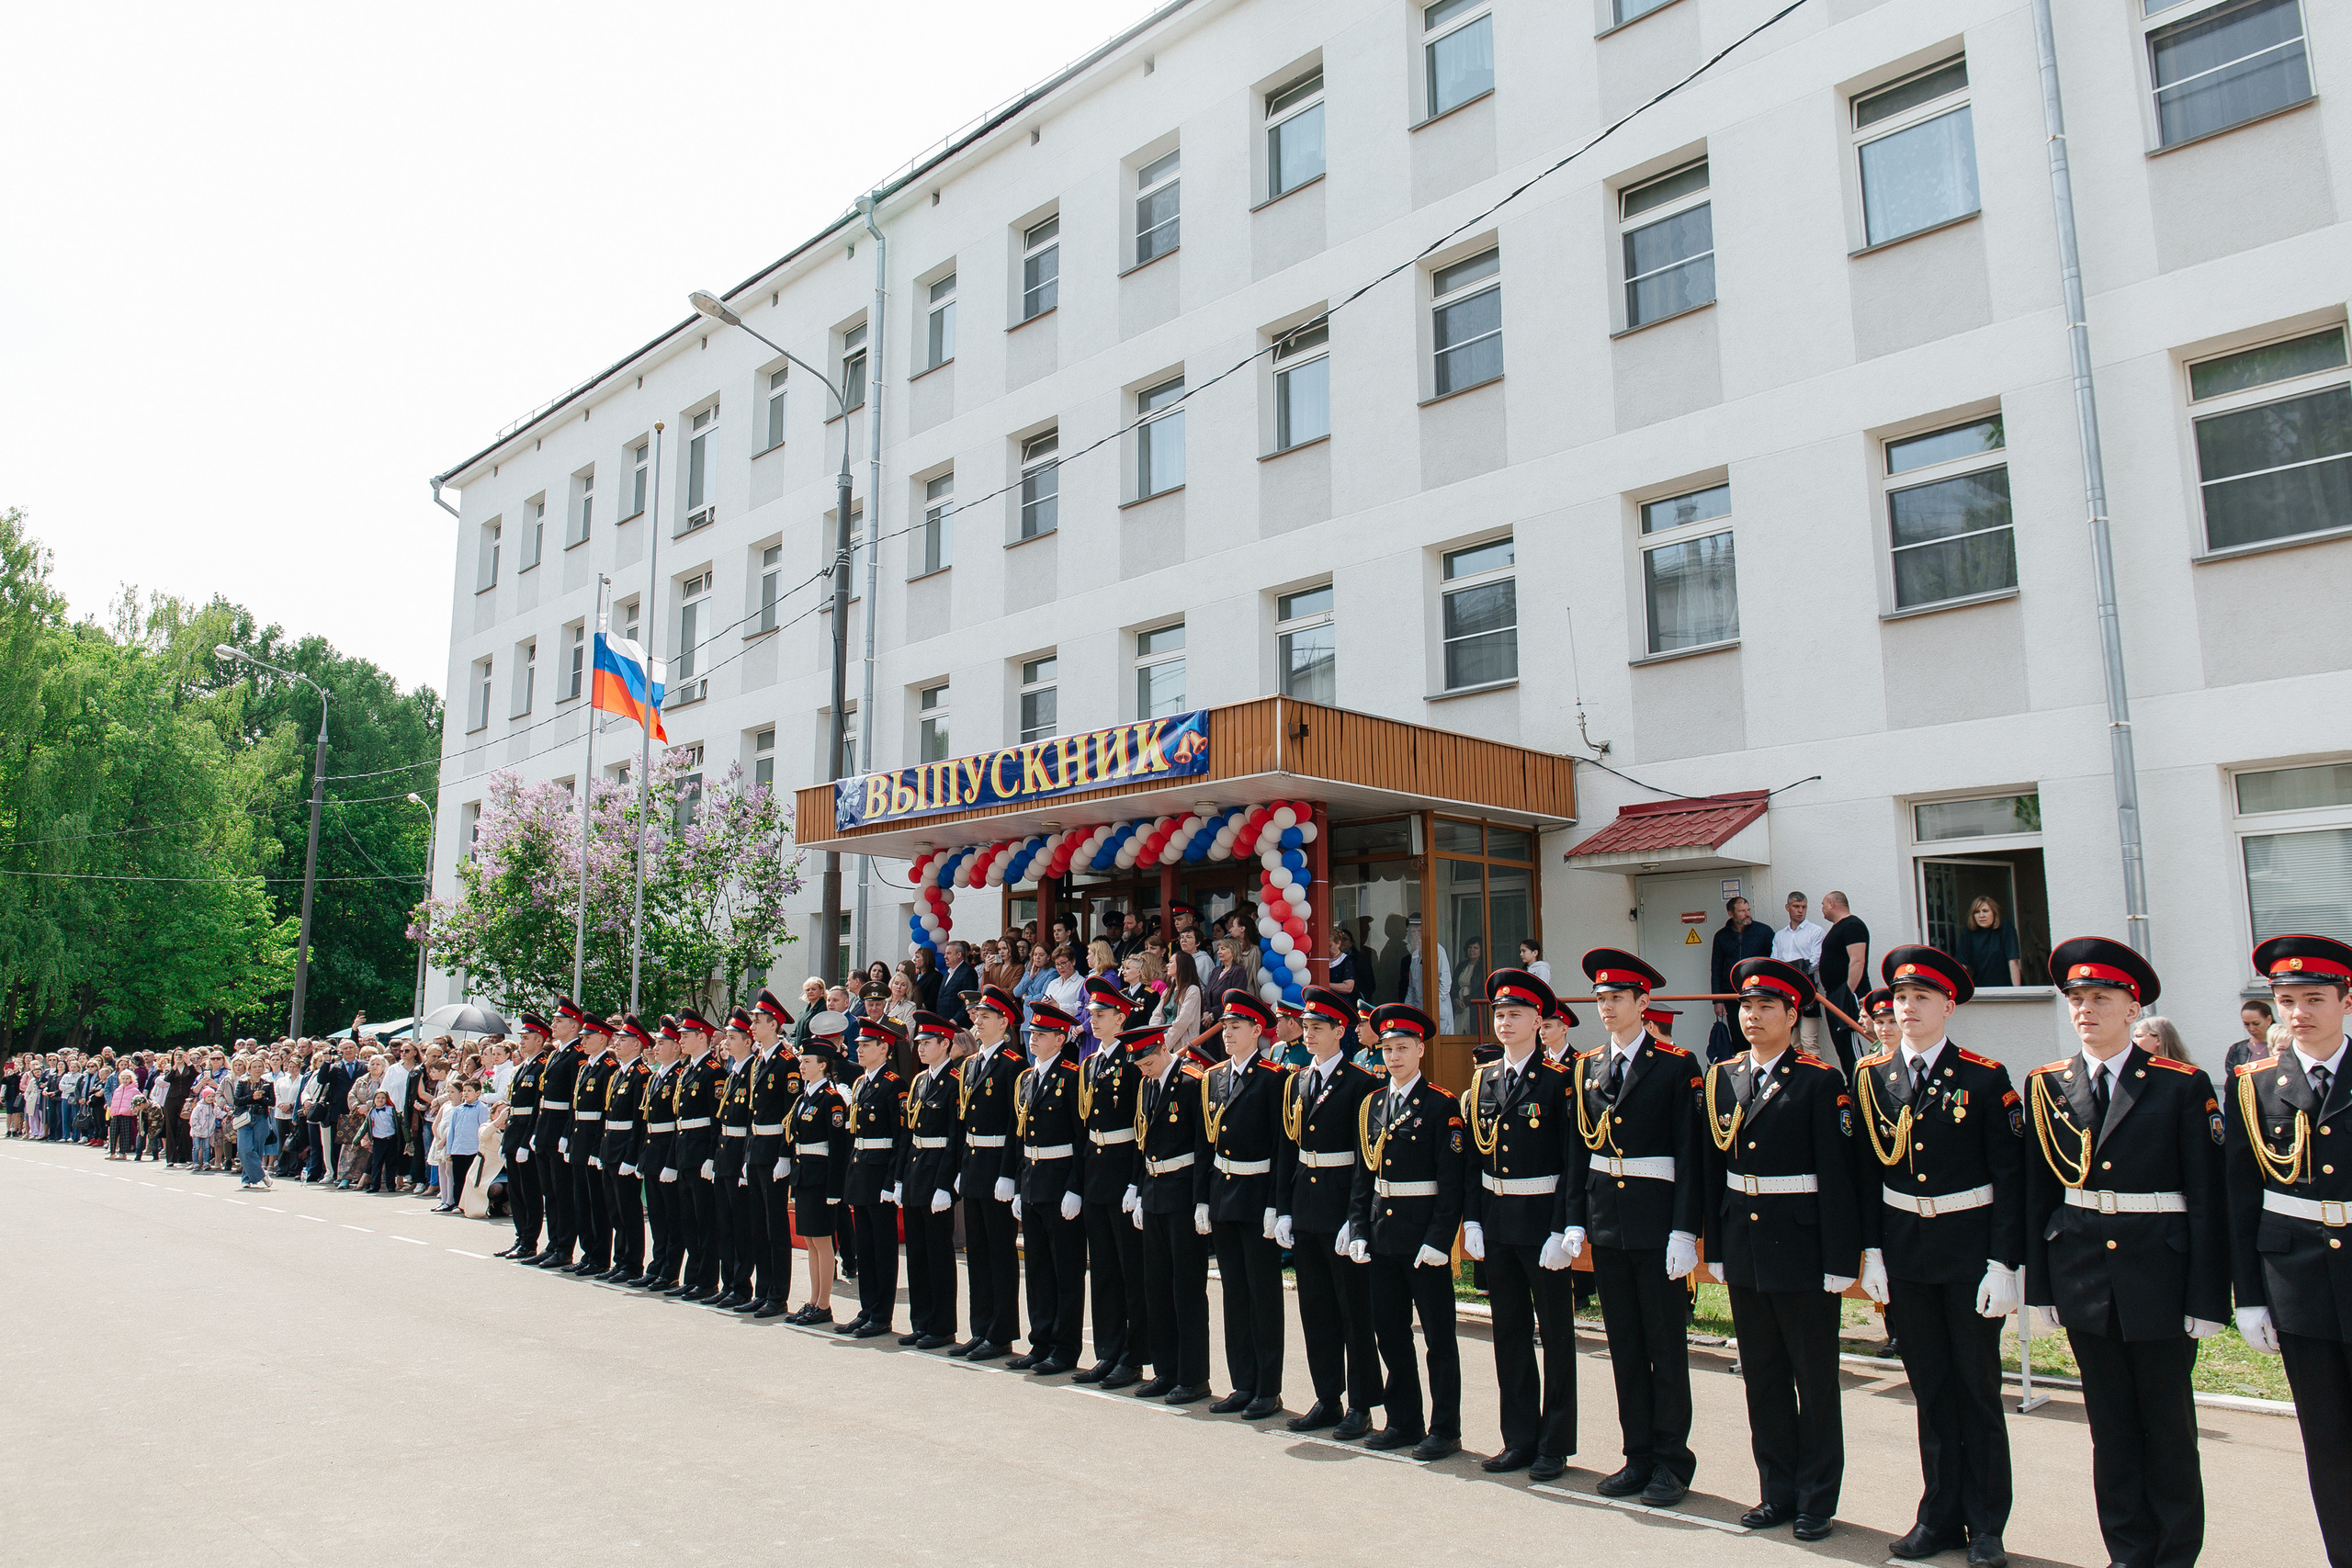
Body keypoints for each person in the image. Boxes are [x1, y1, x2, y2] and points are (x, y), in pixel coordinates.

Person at [2024, 936, 2225, 1568]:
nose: (2085, 1009)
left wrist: (2207, 1294)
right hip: (2084, 1276)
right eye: (2077, 998)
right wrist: (2042, 1288)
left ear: (2132, 1008)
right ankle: (2128, 1550)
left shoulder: (2181, 1086)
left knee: (2167, 1428)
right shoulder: (2049, 1084)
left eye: (2101, 997)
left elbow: (2208, 1198)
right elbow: (2039, 1195)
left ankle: (2174, 1554)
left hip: (2160, 1275)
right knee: (2109, 1428)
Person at [1853, 945, 2022, 1568]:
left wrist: (2004, 1262)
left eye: (1922, 997)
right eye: (1900, 998)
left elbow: (2010, 1178)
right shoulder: (1874, 1076)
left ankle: (1987, 1524)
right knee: (1929, 1389)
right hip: (1906, 1252)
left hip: (1967, 1252)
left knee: (1976, 1389)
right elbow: (1866, 1171)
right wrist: (1871, 1251)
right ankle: (1939, 1514)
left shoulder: (1984, 1076)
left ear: (1948, 1005)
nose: (1909, 1008)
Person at [1702, 955, 1860, 1542]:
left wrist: (1840, 1262)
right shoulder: (1723, 1075)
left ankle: (1817, 1499)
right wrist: (1714, 1248)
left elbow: (1838, 1179)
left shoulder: (1821, 1081)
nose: (1753, 1015)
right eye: (1746, 1005)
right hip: (1744, 1245)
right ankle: (1777, 1491)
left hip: (1801, 1248)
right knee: (1762, 1378)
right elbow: (1713, 1167)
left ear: (1793, 1015)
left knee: (1813, 1381)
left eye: (1766, 1006)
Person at [2225, 933, 2352, 1568]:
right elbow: (2241, 1195)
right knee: (2328, 1441)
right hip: (2297, 1280)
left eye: (2315, 997)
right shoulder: (2253, 1085)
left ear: (2345, 1000)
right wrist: (2249, 1295)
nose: (2300, 1012)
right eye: (2287, 999)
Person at [1568, 948, 1705, 1506]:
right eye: (1600, 999)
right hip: (1609, 1224)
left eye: (1616, 998)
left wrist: (1683, 1231)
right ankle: (1638, 1456)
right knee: (1623, 1344)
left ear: (1642, 1003)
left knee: (1664, 1348)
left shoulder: (1676, 1064)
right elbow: (1581, 1152)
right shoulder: (1588, 1065)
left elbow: (1690, 1155)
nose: (1606, 1007)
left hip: (1655, 1224)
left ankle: (1672, 1461)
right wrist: (1577, 1221)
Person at [1460, 966, 1579, 1479]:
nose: (1505, 1023)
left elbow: (1573, 1160)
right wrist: (1473, 1221)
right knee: (1508, 1332)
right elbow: (1473, 1160)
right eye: (1500, 1015)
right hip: (1498, 1219)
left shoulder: (1558, 1082)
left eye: (1516, 1015)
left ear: (1539, 1021)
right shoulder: (1483, 1079)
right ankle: (1518, 1438)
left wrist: (1563, 1228)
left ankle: (1554, 1443)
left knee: (1555, 1335)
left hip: (1541, 1222)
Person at [1348, 1002, 1464, 1459]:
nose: (1393, 1056)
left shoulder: (1441, 1104)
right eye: (1387, 1048)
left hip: (1423, 1239)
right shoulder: (1373, 1104)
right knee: (1390, 1333)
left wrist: (1440, 1239)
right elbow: (1364, 1174)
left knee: (1438, 1338)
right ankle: (1403, 1420)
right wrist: (1359, 1228)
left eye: (1402, 1048)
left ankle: (1445, 1428)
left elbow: (1451, 1183)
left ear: (1421, 1048)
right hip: (1382, 1234)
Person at [1277, 985, 1382, 1439]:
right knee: (1315, 1307)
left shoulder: (1363, 1084)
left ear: (1342, 1031)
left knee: (1353, 1310)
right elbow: (1287, 1148)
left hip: (1342, 1205)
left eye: (1318, 1027)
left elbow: (1366, 1160)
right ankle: (1327, 1397)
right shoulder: (1298, 1080)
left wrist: (1358, 1219)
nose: (1309, 1035)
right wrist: (1282, 1209)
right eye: (1306, 1027)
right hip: (1306, 1202)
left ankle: (1361, 1404)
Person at [1200, 990, 1294, 1420]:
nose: (1228, 1033)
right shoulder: (1213, 1077)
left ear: (1258, 1031)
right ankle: (1242, 1383)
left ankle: (1267, 1388)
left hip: (1258, 1196)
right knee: (1234, 1295)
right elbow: (1206, 1145)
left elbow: (1282, 1146)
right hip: (1224, 1193)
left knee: (1263, 1295)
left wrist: (1277, 1205)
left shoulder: (1275, 1078)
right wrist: (1203, 1198)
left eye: (1237, 1027)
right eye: (1225, 1026)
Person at [1128, 1019, 1214, 1404]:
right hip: (1155, 1191)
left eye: (1148, 1063)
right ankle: (1166, 1370)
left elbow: (1202, 1147)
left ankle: (1193, 1376)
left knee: (1187, 1290)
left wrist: (1201, 1200)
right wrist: (1138, 1190)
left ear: (1162, 1048)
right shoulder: (1147, 1085)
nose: (1144, 1071)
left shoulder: (1193, 1081)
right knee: (1157, 1287)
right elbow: (1142, 1141)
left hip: (1182, 1194)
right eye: (1140, 1067)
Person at [1007, 999, 1087, 1372]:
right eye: (1031, 1033)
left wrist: (1075, 1186)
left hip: (1060, 1181)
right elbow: (1019, 1136)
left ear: (1060, 1038)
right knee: (1037, 1268)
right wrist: (1016, 1184)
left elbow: (1081, 1137)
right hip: (1033, 1179)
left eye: (1041, 1035)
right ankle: (1040, 1342)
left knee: (1065, 1269)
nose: (1033, 1039)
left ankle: (1064, 1347)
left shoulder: (1072, 1077)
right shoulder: (1026, 1078)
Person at [1078, 976, 1149, 1386]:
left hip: (1123, 1166)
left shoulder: (1132, 1060)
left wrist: (1135, 1182)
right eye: (1091, 1014)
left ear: (1121, 1017)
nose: (1094, 1020)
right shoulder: (1092, 1062)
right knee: (1102, 1267)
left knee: (1129, 1269)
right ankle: (1107, 1350)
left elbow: (1143, 1125)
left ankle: (1133, 1354)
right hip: (1096, 1168)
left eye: (1102, 1015)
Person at [954, 986, 1028, 1359]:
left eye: (985, 1017)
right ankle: (980, 1327)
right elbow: (964, 1122)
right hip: (973, 1163)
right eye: (975, 1016)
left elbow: (1017, 1125)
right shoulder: (969, 1065)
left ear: (1004, 1022)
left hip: (998, 1165)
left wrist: (1008, 1174)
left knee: (1000, 1254)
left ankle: (1000, 1333)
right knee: (976, 1252)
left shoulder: (1014, 1064)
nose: (977, 1022)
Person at [897, 1012, 965, 1348]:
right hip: (915, 1170)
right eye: (919, 1043)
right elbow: (909, 1134)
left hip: (937, 1172)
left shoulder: (954, 1082)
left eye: (928, 1043)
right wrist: (898, 1179)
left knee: (938, 1255)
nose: (921, 1049)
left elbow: (954, 1138)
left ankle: (942, 1326)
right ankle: (921, 1321)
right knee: (917, 1254)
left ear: (945, 1044)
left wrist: (944, 1185)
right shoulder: (919, 1081)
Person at [784, 1032, 854, 1325]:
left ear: (823, 1065)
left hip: (822, 1178)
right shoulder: (804, 1097)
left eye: (807, 1060)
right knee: (810, 1241)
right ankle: (813, 1300)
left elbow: (839, 1147)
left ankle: (824, 1304)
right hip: (805, 1176)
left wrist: (835, 1188)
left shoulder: (832, 1098)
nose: (801, 1064)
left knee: (823, 1242)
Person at [745, 990, 804, 1316]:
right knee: (758, 1223)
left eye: (758, 1021)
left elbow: (789, 1112)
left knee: (775, 1225)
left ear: (774, 1023)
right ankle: (762, 1287)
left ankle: (778, 1294)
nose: (753, 1026)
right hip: (756, 1148)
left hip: (774, 1152)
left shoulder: (787, 1062)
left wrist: (784, 1155)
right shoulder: (759, 1060)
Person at [666, 1012, 727, 1302]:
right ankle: (692, 1277)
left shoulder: (713, 1071)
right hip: (684, 1149)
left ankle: (706, 1280)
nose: (681, 1040)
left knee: (705, 1220)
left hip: (701, 1150)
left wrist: (712, 1156)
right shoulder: (688, 1069)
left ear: (701, 1037)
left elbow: (716, 1119)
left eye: (686, 1036)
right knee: (688, 1219)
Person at [708, 1011, 757, 1309]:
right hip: (725, 1151)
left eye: (732, 1037)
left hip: (740, 1152)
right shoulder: (733, 1070)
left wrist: (745, 1160)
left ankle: (741, 1285)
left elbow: (753, 1119)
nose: (726, 1042)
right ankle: (728, 1283)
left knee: (741, 1225)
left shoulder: (752, 1070)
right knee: (724, 1223)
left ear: (748, 1042)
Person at [564, 1014, 619, 1277]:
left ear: (603, 1038)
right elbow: (575, 1107)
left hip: (594, 1140)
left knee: (598, 1203)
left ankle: (600, 1256)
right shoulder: (586, 1066)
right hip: (579, 1137)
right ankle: (588, 1253)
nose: (583, 1041)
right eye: (582, 1036)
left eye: (588, 1037)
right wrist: (568, 1137)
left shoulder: (609, 1067)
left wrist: (597, 1148)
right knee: (581, 1201)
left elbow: (605, 1112)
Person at [496, 1015, 549, 1259]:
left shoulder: (541, 1066)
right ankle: (520, 1237)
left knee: (529, 1190)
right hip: (514, 1130)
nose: (522, 1042)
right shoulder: (524, 1066)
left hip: (526, 1133)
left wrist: (528, 1141)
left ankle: (530, 1240)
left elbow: (537, 1108)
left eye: (526, 1038)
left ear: (539, 1041)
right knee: (517, 1191)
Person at [1815, 892, 1870, 1078]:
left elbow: (1857, 961)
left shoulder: (1852, 925)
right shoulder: (1838, 928)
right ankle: (1852, 1082)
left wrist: (1847, 993)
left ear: (1832, 904)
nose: (1821, 909)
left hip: (1847, 995)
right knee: (1841, 1044)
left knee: (1849, 1040)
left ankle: (1860, 1082)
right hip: (1835, 995)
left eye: (1823, 904)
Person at [1770, 893, 1828, 1056]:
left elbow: (1815, 961)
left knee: (1809, 1040)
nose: (1800, 911)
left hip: (1808, 990)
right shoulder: (1780, 935)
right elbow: (1775, 963)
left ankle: (1818, 1080)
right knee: (1792, 1042)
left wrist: (1790, 971)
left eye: (1804, 907)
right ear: (1787, 907)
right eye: (1796, 907)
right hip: (1786, 992)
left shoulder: (1815, 931)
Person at [438, 1077, 492, 1214]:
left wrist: (481, 1149)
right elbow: (452, 1131)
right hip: (458, 1149)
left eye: (469, 1091)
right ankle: (458, 1203)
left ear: (478, 1092)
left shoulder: (482, 1108)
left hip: (473, 1149)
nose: (466, 1093)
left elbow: (483, 1128)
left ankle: (470, 1203)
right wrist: (450, 1150)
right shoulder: (458, 1109)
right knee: (458, 1178)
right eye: (464, 1091)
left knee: (472, 1179)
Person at [1957, 896, 2021, 990]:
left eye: (1985, 911)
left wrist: (2017, 992)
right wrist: (1961, 992)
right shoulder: (1969, 931)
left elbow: (2013, 961)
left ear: (1994, 913)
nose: (1981, 915)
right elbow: (1962, 964)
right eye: (1977, 912)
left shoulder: (2005, 927)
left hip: (2006, 987)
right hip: (1981, 987)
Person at [2226, 998, 2275, 1076]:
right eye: (2246, 1024)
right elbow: (2233, 1080)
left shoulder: (2283, 1045)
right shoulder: (2237, 1049)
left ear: (2269, 1020)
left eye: (2256, 1023)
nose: (2251, 1029)